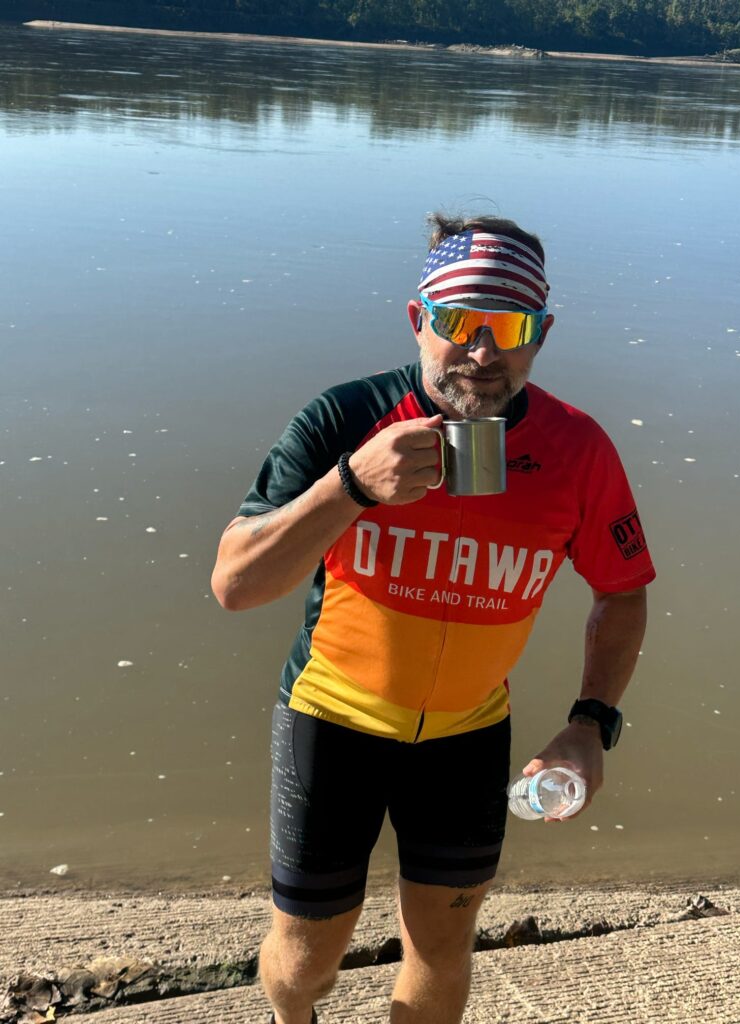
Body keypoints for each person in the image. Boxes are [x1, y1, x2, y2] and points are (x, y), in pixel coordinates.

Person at [211, 213, 655, 1024]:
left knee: (444, 952)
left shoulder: (577, 450)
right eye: (459, 323)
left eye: (511, 327)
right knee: (306, 961)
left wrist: (591, 721)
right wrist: (349, 486)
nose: (484, 353)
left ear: (541, 337)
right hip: (332, 716)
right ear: (419, 319)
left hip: (467, 734)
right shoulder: (345, 419)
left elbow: (622, 589)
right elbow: (236, 584)